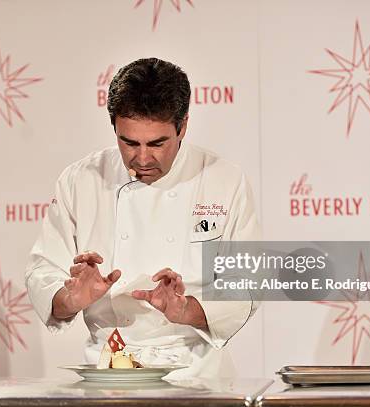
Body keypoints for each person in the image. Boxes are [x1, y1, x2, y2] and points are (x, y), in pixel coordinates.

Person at [25, 58, 260, 378]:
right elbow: (43, 272)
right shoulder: (81, 179)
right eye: (129, 142)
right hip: (109, 369)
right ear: (114, 128)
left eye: (157, 143)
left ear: (183, 126)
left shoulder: (223, 179)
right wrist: (71, 297)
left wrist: (185, 309)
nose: (143, 157)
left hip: (195, 372)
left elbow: (247, 288)